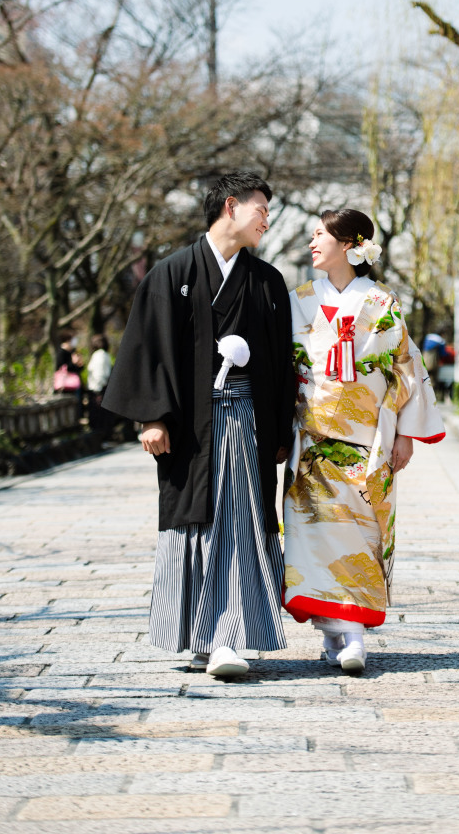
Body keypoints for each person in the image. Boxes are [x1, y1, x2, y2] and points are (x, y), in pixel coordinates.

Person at [103, 171, 295, 679]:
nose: (266, 220)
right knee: (196, 521)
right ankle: (198, 634)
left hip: (247, 420)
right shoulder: (171, 273)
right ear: (230, 207)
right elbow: (147, 346)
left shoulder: (267, 281)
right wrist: (150, 415)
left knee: (240, 522)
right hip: (191, 424)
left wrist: (278, 430)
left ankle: (227, 637)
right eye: (261, 210)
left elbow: (279, 363)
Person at [283, 208, 445, 673]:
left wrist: (408, 435)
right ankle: (338, 631)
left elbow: (405, 367)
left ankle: (348, 632)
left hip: (368, 440)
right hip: (311, 439)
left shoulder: (381, 301)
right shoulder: (298, 300)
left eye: (320, 235)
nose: (312, 243)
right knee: (313, 533)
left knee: (360, 531)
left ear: (349, 245)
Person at [86, 334, 113, 436]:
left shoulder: (99, 355)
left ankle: (101, 437)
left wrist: (97, 391)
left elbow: (100, 374)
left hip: (98, 389)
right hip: (102, 388)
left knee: (98, 416)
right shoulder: (104, 355)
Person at [54, 330, 85, 419]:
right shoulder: (61, 353)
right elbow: (63, 368)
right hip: (65, 386)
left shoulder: (73, 352)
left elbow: (79, 369)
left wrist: (79, 363)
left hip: (75, 385)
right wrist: (73, 363)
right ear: (68, 340)